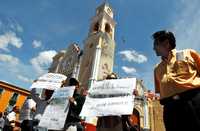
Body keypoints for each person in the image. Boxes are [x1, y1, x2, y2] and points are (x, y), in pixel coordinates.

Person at [152, 30, 200, 131]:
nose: (153, 48)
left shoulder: (189, 53)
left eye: (156, 44)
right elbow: (159, 91)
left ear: (166, 43)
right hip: (170, 109)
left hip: (194, 101)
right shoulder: (157, 69)